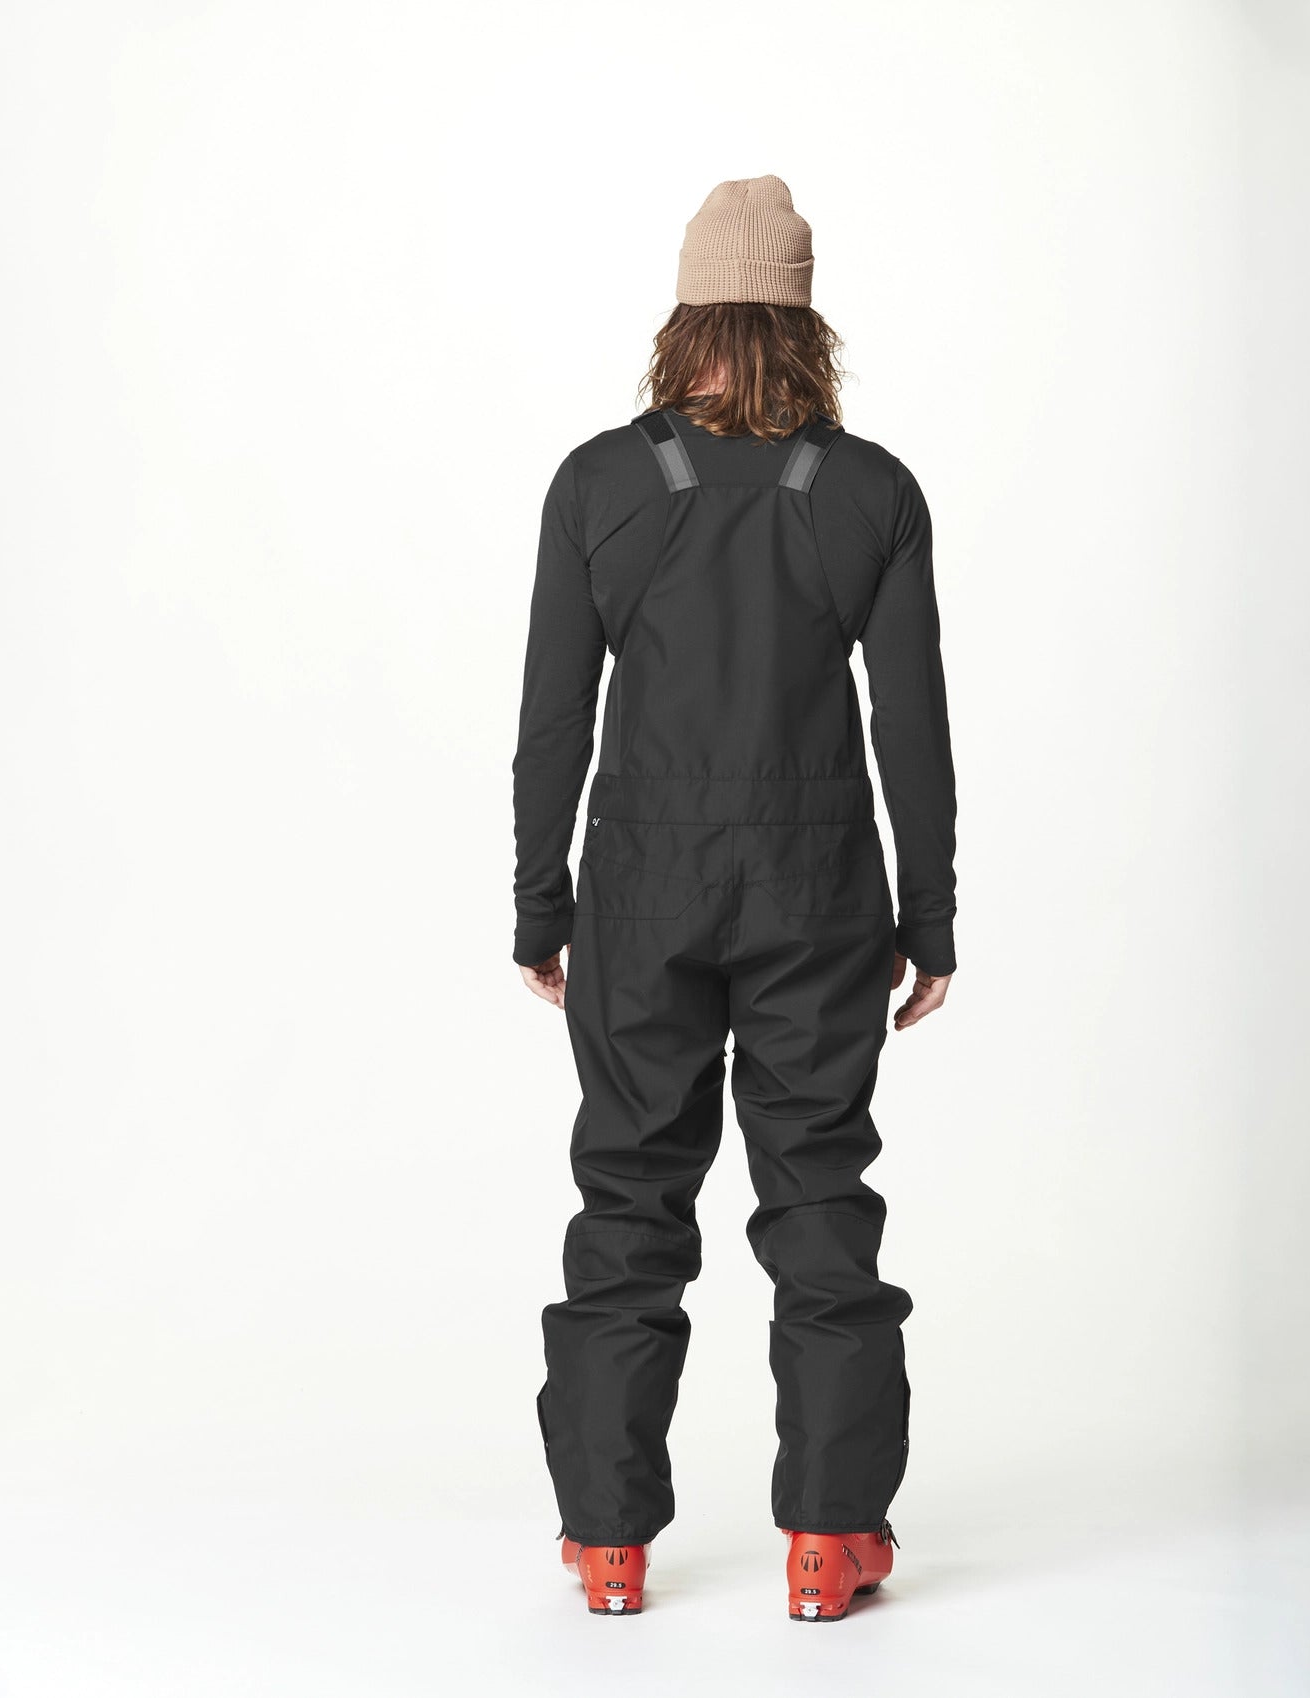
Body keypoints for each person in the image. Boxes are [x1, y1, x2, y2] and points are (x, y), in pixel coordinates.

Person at [511, 175, 956, 1622]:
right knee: (818, 1197)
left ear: (683, 317)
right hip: (819, 891)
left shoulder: (599, 484)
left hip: (640, 889)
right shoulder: (870, 491)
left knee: (628, 1196)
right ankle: (830, 1538)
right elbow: (911, 724)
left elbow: (552, 721)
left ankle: (608, 1544)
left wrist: (540, 908)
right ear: (806, 324)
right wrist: (930, 918)